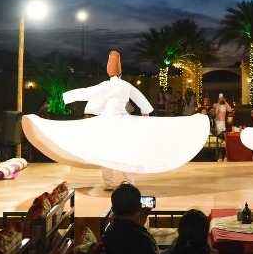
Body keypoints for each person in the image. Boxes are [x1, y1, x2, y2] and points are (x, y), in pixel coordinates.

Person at [22, 51, 209, 189]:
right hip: (122, 120)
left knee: (107, 151)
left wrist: (66, 97)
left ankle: (109, 183)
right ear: (120, 73)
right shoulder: (127, 86)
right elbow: (141, 101)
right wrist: (145, 113)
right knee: (125, 150)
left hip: (107, 121)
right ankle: (129, 181)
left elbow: (88, 93)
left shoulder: (105, 85)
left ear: (109, 72)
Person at [102, 183, 158, 254]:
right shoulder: (142, 240)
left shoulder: (109, 232)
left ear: (113, 210)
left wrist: (140, 223)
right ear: (139, 207)